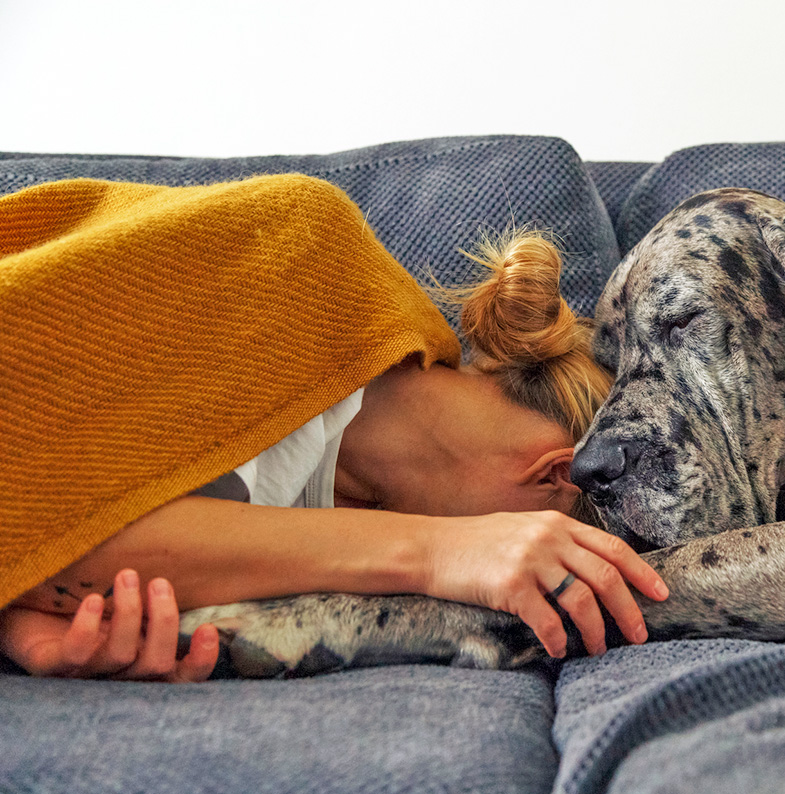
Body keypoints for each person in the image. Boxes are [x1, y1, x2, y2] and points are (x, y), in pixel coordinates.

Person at [0, 176, 667, 681]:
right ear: (551, 472)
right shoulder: (307, 245)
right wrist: (442, 551)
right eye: (548, 543)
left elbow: (57, 536)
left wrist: (28, 634)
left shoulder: (323, 542)